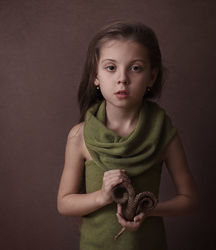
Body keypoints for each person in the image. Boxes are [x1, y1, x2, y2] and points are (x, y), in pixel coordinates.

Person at [57, 20, 199, 250]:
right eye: (111, 67)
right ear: (96, 76)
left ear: (151, 77)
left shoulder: (164, 134)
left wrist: (151, 209)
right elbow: (64, 204)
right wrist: (102, 197)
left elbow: (190, 200)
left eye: (135, 68)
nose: (122, 78)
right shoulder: (79, 136)